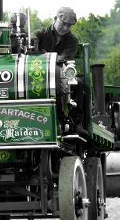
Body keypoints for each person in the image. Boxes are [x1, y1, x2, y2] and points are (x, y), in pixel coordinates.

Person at [33, 7, 87, 137]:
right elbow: (31, 47)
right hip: (38, 75)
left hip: (61, 75)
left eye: (69, 26)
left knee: (79, 84)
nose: (66, 28)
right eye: (64, 24)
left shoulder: (72, 40)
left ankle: (76, 122)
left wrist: (44, 56)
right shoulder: (40, 34)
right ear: (55, 19)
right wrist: (32, 43)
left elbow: (64, 58)